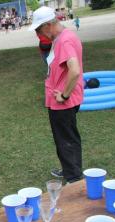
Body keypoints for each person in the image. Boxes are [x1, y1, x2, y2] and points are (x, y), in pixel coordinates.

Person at [30, 6, 84, 183]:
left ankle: (74, 179)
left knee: (66, 140)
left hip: (63, 103)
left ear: (47, 25)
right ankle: (69, 170)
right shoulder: (62, 37)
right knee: (66, 138)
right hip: (59, 102)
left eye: (38, 30)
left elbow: (74, 70)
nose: (39, 35)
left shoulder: (65, 40)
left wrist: (65, 95)